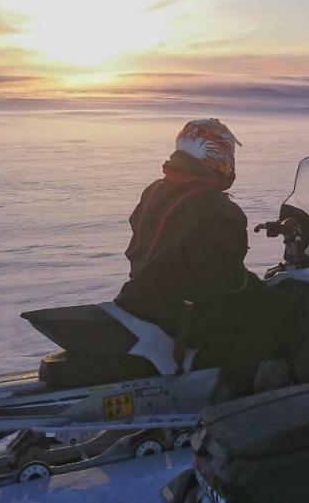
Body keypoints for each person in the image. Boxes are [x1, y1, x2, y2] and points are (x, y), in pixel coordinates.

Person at [114, 119, 285, 373]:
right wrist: (258, 289)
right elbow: (225, 278)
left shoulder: (157, 190)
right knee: (278, 319)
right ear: (215, 154)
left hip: (145, 296)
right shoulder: (212, 206)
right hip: (183, 311)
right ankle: (246, 389)